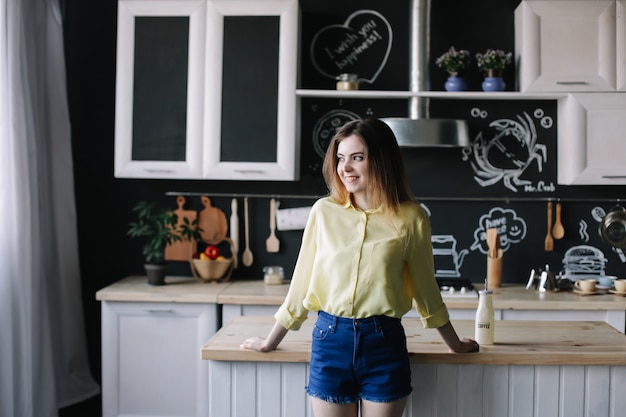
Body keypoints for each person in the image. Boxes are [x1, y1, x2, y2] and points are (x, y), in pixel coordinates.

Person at [240, 118, 479, 417]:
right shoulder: (323, 212)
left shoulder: (411, 218)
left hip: (385, 344)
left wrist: (455, 344)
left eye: (357, 158)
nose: (346, 168)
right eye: (341, 158)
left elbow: (426, 290)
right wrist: (269, 341)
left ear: (381, 160)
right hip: (330, 341)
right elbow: (301, 284)